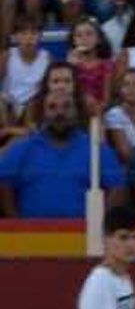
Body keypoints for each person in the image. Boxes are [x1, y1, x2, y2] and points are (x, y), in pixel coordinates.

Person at [0, 77, 127, 218]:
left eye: (67, 106)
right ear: (43, 113)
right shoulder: (23, 147)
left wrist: (100, 226)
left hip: (85, 235)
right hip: (32, 236)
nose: (60, 113)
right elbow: (4, 185)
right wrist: (16, 226)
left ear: (76, 112)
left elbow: (118, 187)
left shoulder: (96, 148)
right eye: (52, 107)